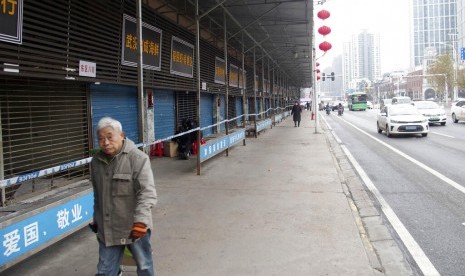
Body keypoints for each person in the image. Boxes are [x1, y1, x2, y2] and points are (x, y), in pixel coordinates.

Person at [89, 117, 157, 276]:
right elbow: (98, 195)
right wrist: (96, 218)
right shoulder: (96, 162)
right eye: (101, 139)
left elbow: (147, 193)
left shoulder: (138, 158)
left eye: (109, 137)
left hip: (134, 227)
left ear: (122, 135)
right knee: (105, 270)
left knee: (144, 266)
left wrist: (141, 221)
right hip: (108, 228)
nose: (105, 142)